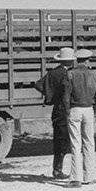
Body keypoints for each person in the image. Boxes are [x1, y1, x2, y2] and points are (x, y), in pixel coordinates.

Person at [34, 46, 75, 179]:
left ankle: (57, 169)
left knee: (59, 140)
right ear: (70, 61)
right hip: (68, 109)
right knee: (69, 140)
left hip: (57, 110)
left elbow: (38, 84)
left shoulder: (53, 73)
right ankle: (60, 171)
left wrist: (50, 95)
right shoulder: (68, 74)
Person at [63, 48, 96, 186]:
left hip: (75, 109)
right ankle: (89, 177)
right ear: (88, 60)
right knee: (89, 142)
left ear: (76, 60)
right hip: (89, 110)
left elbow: (66, 96)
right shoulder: (94, 74)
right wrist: (95, 109)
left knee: (75, 143)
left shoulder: (70, 74)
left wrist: (67, 111)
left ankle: (76, 178)